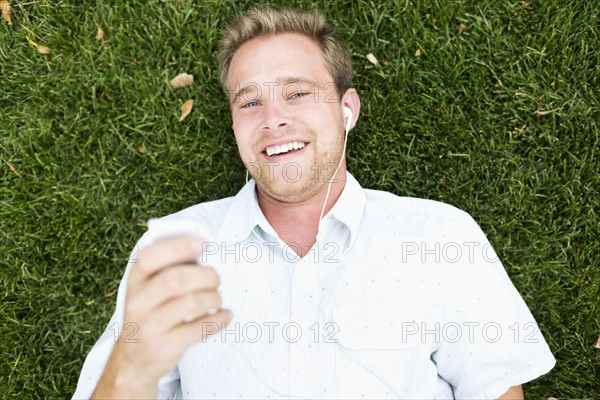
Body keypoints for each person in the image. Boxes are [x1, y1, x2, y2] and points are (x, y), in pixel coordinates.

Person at [73, 7, 555, 400]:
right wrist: (131, 365)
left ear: (348, 110)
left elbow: (493, 391)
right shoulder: (176, 248)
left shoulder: (438, 236)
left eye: (297, 93)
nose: (273, 119)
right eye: (249, 102)